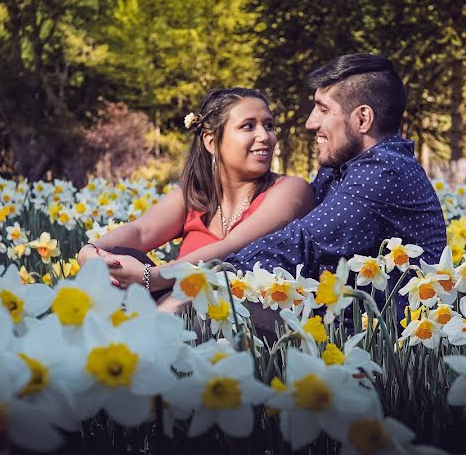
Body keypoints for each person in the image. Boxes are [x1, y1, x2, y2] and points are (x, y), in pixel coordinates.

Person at [152, 53, 447, 322]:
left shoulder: (384, 172)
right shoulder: (340, 170)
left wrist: (178, 285)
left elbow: (297, 244)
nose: (309, 123)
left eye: (322, 109)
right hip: (327, 319)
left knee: (205, 307)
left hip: (378, 345)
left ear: (362, 118)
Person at [76, 88, 315, 296]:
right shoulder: (192, 197)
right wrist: (90, 252)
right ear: (211, 142)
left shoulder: (290, 190)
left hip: (239, 320)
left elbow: (234, 245)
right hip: (181, 313)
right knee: (114, 259)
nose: (266, 137)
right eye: (248, 126)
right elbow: (140, 231)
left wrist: (153, 276)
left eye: (269, 126)